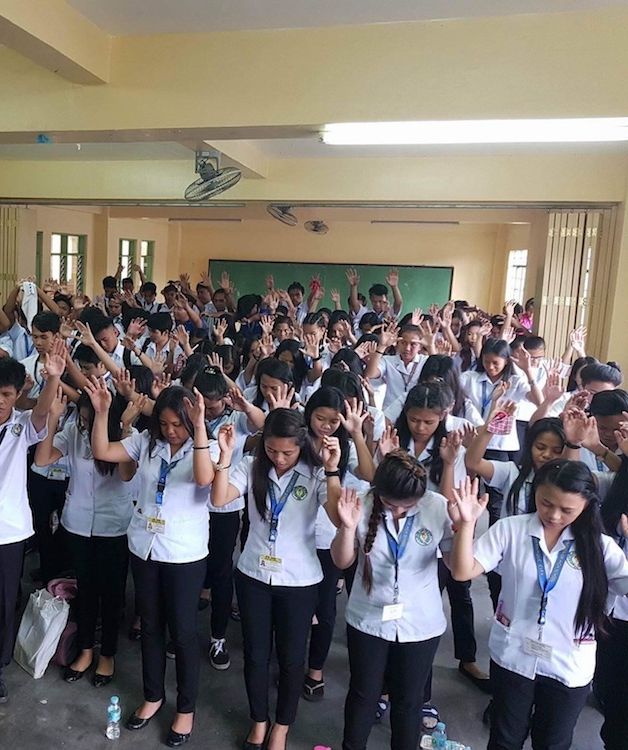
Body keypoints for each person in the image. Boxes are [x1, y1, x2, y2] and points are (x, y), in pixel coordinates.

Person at [448, 463, 628, 750]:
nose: (554, 515)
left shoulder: (600, 546)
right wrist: (467, 525)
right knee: (505, 738)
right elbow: (461, 571)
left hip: (568, 664)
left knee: (553, 742)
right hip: (513, 656)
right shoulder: (511, 529)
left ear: (587, 504)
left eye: (567, 510)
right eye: (546, 503)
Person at [87, 381, 215, 748]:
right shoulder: (145, 443)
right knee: (152, 627)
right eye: (165, 423)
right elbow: (102, 450)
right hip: (144, 548)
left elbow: (205, 479)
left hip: (183, 554)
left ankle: (186, 708)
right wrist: (101, 413)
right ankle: (153, 696)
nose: (171, 431)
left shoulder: (202, 448)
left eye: (178, 424)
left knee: (184, 632)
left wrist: (201, 425)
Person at [211, 409, 342, 750]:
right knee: (255, 654)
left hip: (299, 581)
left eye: (288, 452)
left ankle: (282, 726)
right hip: (254, 573)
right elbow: (219, 497)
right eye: (272, 450)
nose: (279, 459)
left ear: (302, 445)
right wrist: (225, 457)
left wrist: (332, 469)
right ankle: (259, 721)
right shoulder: (251, 466)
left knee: (292, 657)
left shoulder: (315, 474)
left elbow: (338, 513)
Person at [331, 451, 453, 750]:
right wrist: (347, 527)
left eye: (407, 506)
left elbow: (456, 568)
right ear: (378, 491)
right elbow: (342, 560)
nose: (398, 511)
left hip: (420, 623)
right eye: (390, 504)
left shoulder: (437, 507)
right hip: (368, 618)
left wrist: (466, 526)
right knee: (363, 693)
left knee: (408, 701)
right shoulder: (360, 502)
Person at [34, 390, 138, 687]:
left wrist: (127, 430)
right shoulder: (73, 432)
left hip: (113, 527)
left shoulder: (127, 437)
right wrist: (54, 418)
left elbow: (128, 475)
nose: (84, 426)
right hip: (78, 524)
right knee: (86, 590)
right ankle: (86, 650)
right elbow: (42, 459)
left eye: (89, 420)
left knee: (112, 592)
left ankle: (108, 654)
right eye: (81, 419)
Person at [0, 344, 66, 702]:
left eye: (6, 395)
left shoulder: (20, 428)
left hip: (7, 531)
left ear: (17, 395)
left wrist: (53, 378)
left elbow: (42, 415)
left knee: (5, 599)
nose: (0, 401)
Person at [303, 387, 375, 701]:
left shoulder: (345, 446)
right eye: (320, 418)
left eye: (334, 420)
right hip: (297, 536)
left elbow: (371, 474)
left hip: (332, 539)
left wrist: (356, 433)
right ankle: (289, 659)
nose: (327, 426)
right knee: (296, 606)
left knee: (325, 608)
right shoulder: (298, 442)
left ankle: (315, 669)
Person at [598, 439, 628, 750]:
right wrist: (584, 444)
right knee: (611, 688)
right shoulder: (616, 485)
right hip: (613, 609)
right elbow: (571, 477)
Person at [365, 322, 428, 410]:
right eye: (403, 343)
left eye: (413, 344)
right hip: (390, 412)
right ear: (397, 342)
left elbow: (442, 374)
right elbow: (370, 374)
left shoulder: (425, 361)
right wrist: (382, 346)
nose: (407, 348)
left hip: (416, 412)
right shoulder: (388, 361)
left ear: (420, 346)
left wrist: (431, 346)